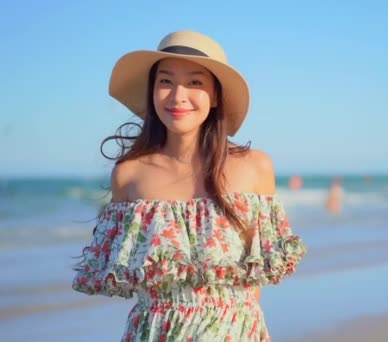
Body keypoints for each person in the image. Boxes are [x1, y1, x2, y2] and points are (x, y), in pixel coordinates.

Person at [72, 30, 307, 342]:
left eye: (195, 82)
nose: (177, 95)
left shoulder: (255, 168)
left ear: (216, 96)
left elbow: (254, 279)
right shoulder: (129, 176)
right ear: (152, 90)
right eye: (166, 81)